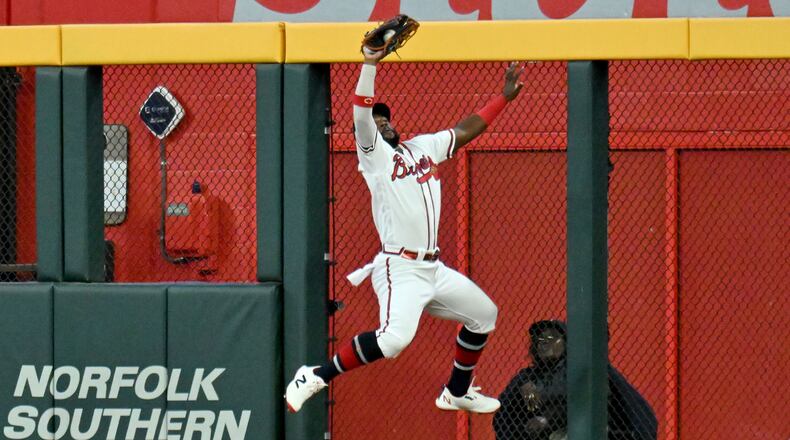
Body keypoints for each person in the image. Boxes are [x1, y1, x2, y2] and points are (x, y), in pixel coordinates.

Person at [284, 40, 526, 414]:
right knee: (395, 341)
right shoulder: (374, 157)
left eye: (387, 119)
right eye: (378, 123)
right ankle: (315, 375)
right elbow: (361, 117)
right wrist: (369, 64)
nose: (383, 124)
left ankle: (456, 392)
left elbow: (464, 131)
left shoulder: (422, 147)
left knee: (484, 315)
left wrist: (503, 99)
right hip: (400, 267)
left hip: (432, 267)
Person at [493, 320, 658, 440]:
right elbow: (501, 416)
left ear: (566, 343)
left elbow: (576, 400)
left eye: (552, 338)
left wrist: (546, 421)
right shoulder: (528, 376)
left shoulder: (582, 369)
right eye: (539, 340)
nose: (543, 343)